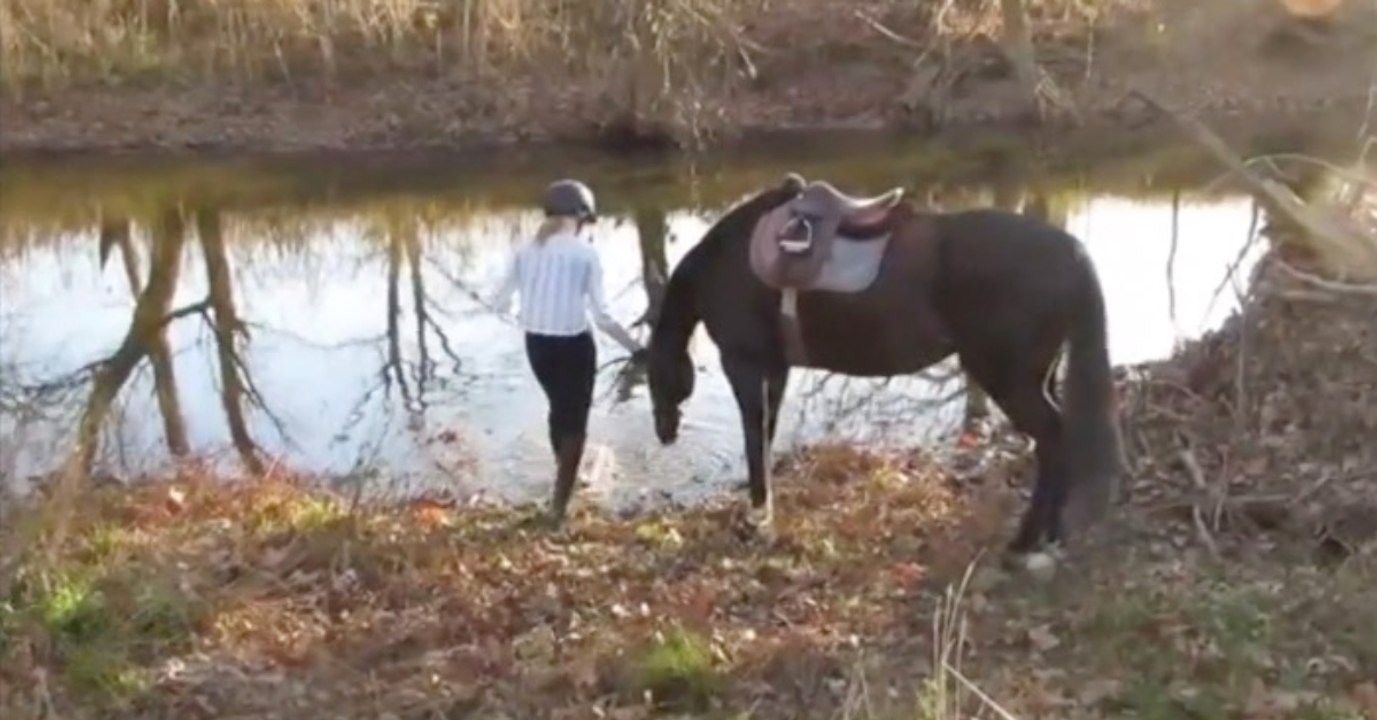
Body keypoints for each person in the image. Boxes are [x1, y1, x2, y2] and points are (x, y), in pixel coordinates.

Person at [490, 178, 646, 526]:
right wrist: (636, 349)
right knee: (575, 422)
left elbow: (498, 303)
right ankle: (559, 508)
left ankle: (563, 480)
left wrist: (525, 316)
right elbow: (602, 317)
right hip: (574, 346)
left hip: (537, 345)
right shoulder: (585, 253)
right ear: (580, 217)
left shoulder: (523, 250)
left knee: (558, 410)